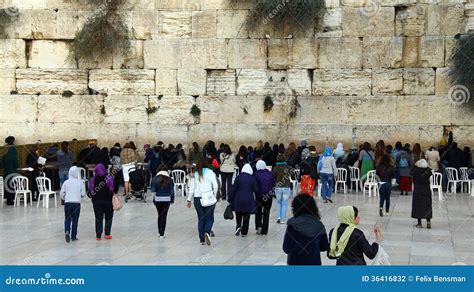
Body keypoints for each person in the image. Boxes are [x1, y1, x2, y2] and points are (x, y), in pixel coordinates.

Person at [283, 194, 328, 265]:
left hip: (295, 263)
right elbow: (324, 246)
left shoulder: (292, 225)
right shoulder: (319, 225)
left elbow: (286, 248)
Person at [186, 158, 218, 245]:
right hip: (208, 197)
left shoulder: (194, 174)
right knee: (210, 218)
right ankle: (207, 232)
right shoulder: (210, 173)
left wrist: (189, 200)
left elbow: (191, 189)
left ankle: (202, 239)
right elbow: (215, 185)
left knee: (201, 218)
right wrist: (214, 196)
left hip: (197, 198)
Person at [229, 164, 259, 237]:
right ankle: (244, 232)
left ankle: (238, 226)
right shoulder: (252, 178)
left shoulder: (238, 177)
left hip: (238, 198)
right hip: (248, 199)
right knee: (246, 215)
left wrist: (230, 199)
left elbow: (233, 189)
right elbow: (256, 190)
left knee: (238, 214)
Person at [89, 164, 115, 240]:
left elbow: (91, 190)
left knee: (98, 218)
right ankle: (107, 234)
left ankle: (98, 236)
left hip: (97, 202)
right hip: (108, 201)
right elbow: (112, 188)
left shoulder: (93, 179)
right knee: (109, 217)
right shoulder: (109, 178)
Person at [60, 166, 86, 242]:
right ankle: (74, 236)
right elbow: (83, 194)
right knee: (75, 220)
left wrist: (65, 199)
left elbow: (62, 193)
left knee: (67, 218)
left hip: (68, 203)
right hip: (76, 204)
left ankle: (67, 230)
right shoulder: (80, 182)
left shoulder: (66, 182)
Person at [151, 168, 175, 238]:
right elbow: (172, 192)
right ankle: (162, 234)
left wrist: (154, 200)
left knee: (159, 215)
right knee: (164, 216)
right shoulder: (170, 180)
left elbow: (153, 191)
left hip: (158, 199)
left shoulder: (154, 179)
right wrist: (172, 199)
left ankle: (159, 232)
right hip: (166, 199)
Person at [254, 160, 275, 235]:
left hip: (259, 196)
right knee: (266, 212)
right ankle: (265, 230)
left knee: (258, 211)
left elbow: (255, 185)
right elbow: (273, 184)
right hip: (269, 196)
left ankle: (259, 226)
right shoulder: (270, 174)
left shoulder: (256, 174)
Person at [411, 159, 433, 229]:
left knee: (418, 206)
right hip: (426, 190)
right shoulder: (429, 171)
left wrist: (414, 166)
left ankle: (419, 223)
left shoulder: (416, 171)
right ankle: (428, 221)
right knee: (427, 205)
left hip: (418, 190)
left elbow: (411, 173)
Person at [272, 154, 293, 224]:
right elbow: (293, 177)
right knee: (284, 203)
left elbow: (272, 177)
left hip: (278, 187)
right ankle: (283, 220)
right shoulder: (288, 167)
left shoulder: (275, 168)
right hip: (286, 187)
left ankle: (279, 217)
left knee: (278, 203)